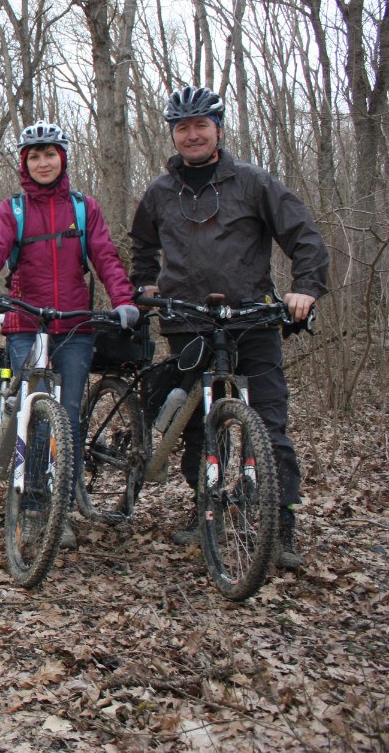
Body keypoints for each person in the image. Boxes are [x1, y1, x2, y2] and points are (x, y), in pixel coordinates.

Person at [129, 86, 329, 571]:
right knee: (198, 424)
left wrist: (304, 289)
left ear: (218, 130)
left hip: (251, 319)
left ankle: (280, 525)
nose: (192, 135)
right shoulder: (160, 192)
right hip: (188, 321)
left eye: (202, 125)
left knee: (269, 424)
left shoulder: (254, 183)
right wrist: (146, 284)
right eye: (183, 128)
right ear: (173, 135)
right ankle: (208, 511)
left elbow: (304, 236)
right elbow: (141, 247)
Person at [0, 122, 137, 549]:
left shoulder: (84, 208)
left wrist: (123, 300)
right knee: (35, 414)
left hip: (75, 325)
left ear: (63, 158)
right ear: (24, 163)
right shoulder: (14, 209)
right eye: (34, 156)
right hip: (26, 323)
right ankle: (35, 505)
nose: (42, 162)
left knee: (67, 418)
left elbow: (106, 256)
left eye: (49, 154)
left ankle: (60, 509)